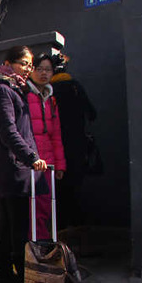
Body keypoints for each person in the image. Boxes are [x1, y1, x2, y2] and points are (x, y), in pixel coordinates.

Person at [0, 46, 48, 283]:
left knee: (9, 225)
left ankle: (5, 274)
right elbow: (8, 131)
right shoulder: (1, 91)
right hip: (13, 169)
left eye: (30, 64)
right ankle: (20, 278)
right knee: (17, 228)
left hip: (17, 167)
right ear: (8, 63)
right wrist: (30, 157)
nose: (28, 69)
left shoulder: (14, 88)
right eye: (23, 63)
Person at [50, 54, 97, 229]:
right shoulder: (75, 87)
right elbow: (92, 114)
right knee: (76, 191)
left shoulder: (48, 91)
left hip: (56, 149)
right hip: (77, 147)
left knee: (59, 196)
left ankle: (62, 236)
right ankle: (78, 235)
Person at [25, 53, 66, 240]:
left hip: (48, 159)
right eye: (39, 69)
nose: (43, 73)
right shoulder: (23, 94)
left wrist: (60, 164)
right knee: (30, 206)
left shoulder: (50, 98)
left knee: (45, 204)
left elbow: (56, 135)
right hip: (30, 158)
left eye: (47, 70)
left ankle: (42, 244)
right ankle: (33, 246)